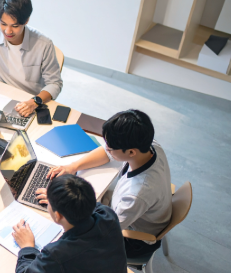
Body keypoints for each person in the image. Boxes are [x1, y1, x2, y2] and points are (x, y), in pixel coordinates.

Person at [35, 109, 172, 259]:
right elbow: (107, 154)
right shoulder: (149, 145)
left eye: (111, 148)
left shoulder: (137, 194)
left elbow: (108, 227)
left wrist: (61, 203)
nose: (107, 149)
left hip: (133, 239)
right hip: (131, 211)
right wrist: (73, 166)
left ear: (131, 152)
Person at [11, 174, 133, 273]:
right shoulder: (108, 216)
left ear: (58, 216)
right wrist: (61, 199)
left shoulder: (59, 255)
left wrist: (27, 246)